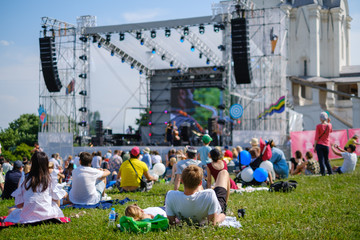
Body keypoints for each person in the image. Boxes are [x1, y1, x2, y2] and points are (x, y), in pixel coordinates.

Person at [4, 152, 67, 224]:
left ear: (32, 164)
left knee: (11, 211)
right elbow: (57, 203)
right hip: (47, 215)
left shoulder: (25, 181)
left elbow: (19, 205)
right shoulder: (50, 180)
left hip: (27, 217)